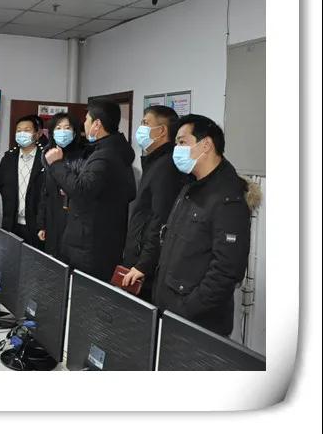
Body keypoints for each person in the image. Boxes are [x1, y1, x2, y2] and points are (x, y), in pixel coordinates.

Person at [151, 114, 260, 336]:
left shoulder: (228, 197)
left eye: (182, 142)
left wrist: (185, 309)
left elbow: (226, 272)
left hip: (196, 324)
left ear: (206, 145)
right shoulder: (191, 186)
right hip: (170, 313)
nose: (177, 150)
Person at [45, 100, 136, 281]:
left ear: (97, 124)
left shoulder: (104, 155)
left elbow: (81, 191)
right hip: (101, 238)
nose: (84, 124)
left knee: (83, 292)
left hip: (90, 244)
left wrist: (56, 165)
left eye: (87, 119)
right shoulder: (114, 150)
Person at [121, 106, 185, 301]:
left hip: (146, 267)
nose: (140, 128)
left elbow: (160, 219)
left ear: (162, 130)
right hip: (138, 258)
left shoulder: (166, 166)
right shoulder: (154, 162)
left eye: (145, 123)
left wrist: (143, 264)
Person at [36, 112, 86, 259]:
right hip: (53, 221)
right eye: (58, 128)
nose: (63, 131)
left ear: (75, 132)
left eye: (67, 128)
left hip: (75, 223)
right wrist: (42, 224)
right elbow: (45, 193)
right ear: (52, 133)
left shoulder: (84, 156)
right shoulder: (48, 155)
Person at [0, 115, 45, 247]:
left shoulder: (45, 158)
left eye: (27, 130)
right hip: (11, 223)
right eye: (19, 130)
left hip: (36, 225)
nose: (22, 133)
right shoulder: (8, 157)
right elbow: (2, 186)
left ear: (37, 134)